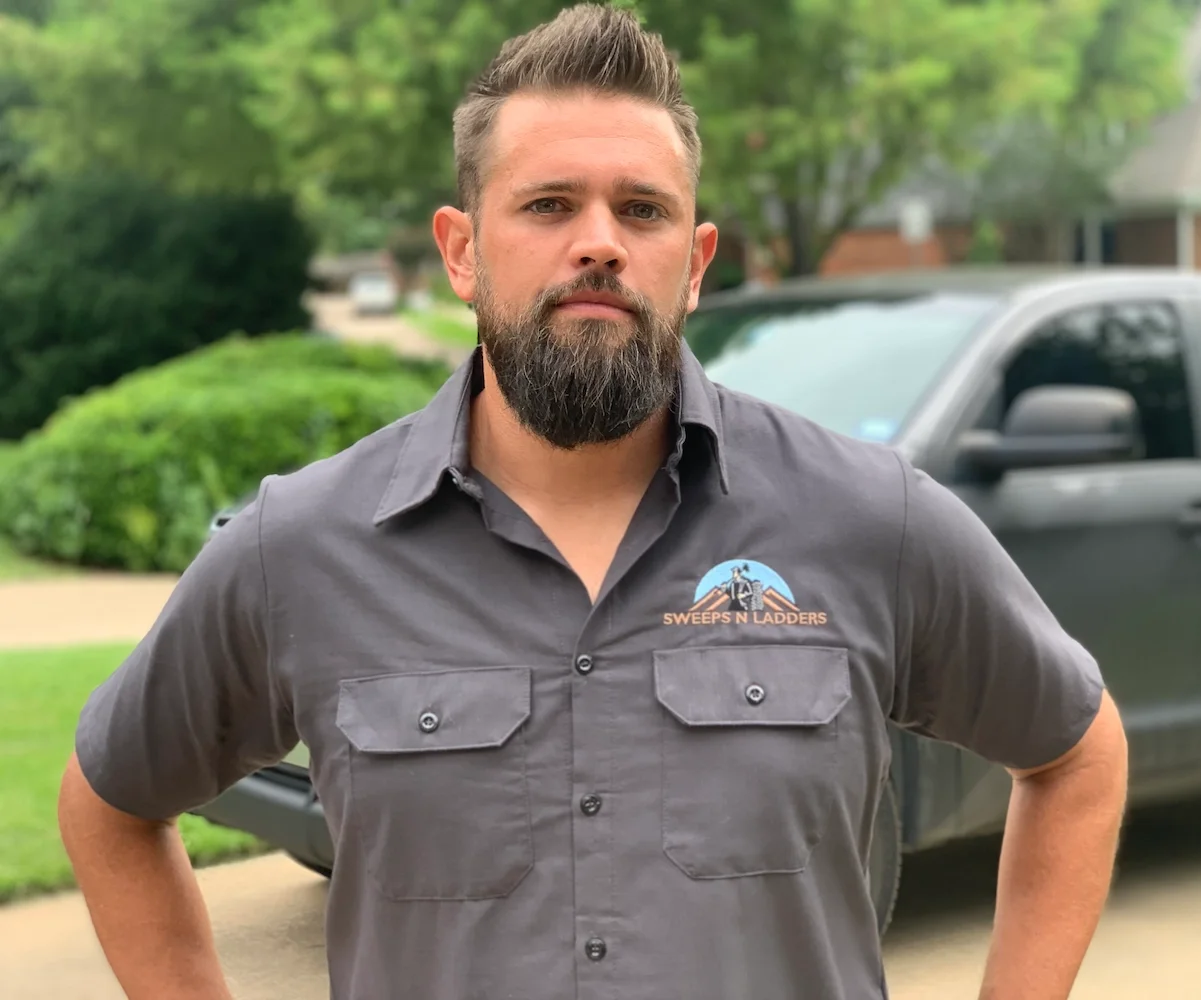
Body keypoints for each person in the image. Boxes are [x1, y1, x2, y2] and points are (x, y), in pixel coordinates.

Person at [57, 6, 1129, 999]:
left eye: (643, 209)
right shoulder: (298, 550)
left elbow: (1077, 751)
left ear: (695, 262)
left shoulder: (871, 520)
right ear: (461, 251)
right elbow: (109, 801)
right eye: (548, 204)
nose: (601, 241)